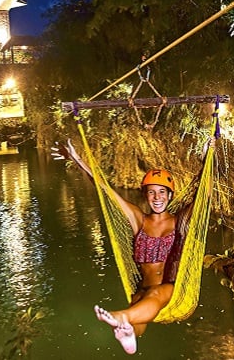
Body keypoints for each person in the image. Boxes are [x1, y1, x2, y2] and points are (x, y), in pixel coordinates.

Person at [52, 139, 193, 355]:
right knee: (139, 304)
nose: (157, 198)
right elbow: (106, 191)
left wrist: (210, 155)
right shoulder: (140, 220)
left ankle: (122, 318)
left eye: (162, 192)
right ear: (145, 195)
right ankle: (128, 333)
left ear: (170, 195)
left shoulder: (178, 221)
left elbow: (203, 198)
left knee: (153, 296)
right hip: (143, 290)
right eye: (152, 192)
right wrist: (77, 159)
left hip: (170, 290)